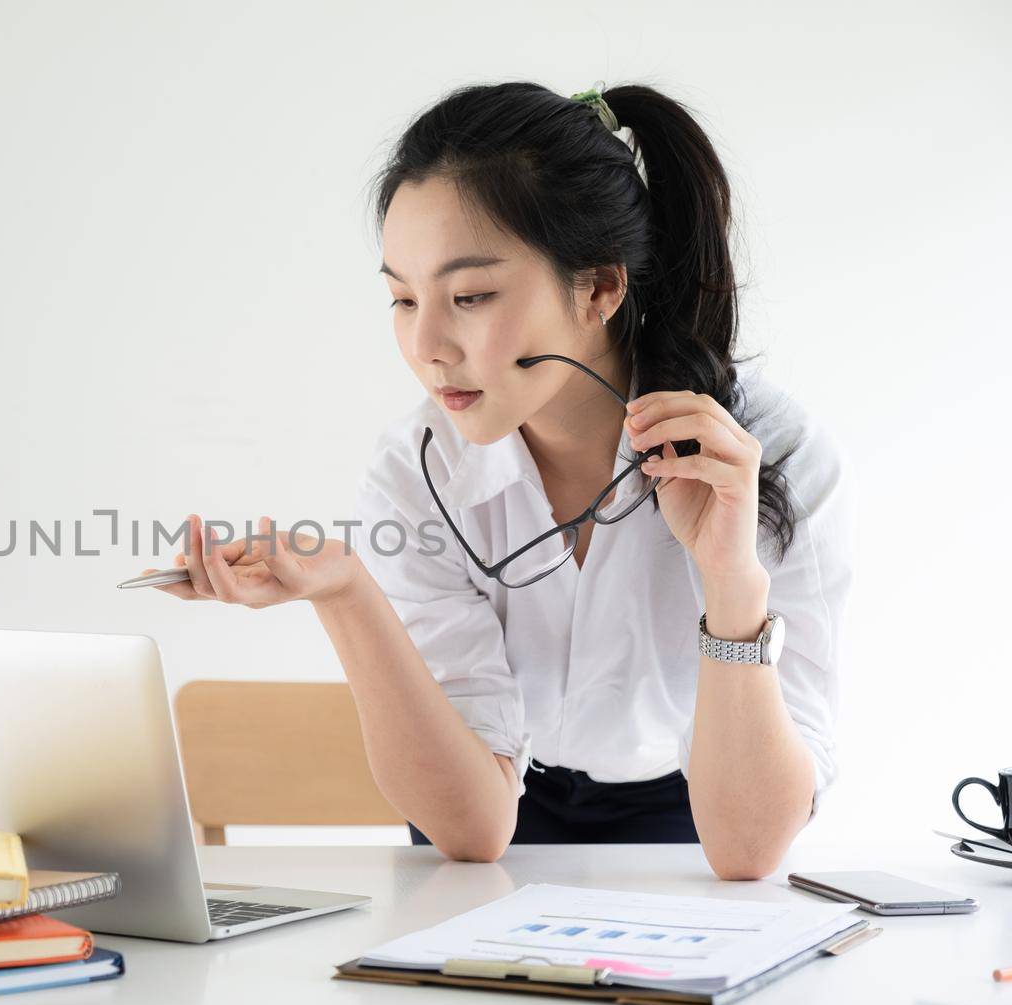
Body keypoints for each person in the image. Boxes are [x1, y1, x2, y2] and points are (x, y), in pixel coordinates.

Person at [139, 81, 851, 881]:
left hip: (698, 804)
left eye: (470, 296)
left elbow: (749, 848)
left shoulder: (770, 456)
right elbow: (473, 831)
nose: (427, 344)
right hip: (501, 807)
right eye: (403, 298)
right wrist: (345, 591)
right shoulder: (419, 471)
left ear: (600, 288)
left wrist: (730, 578)